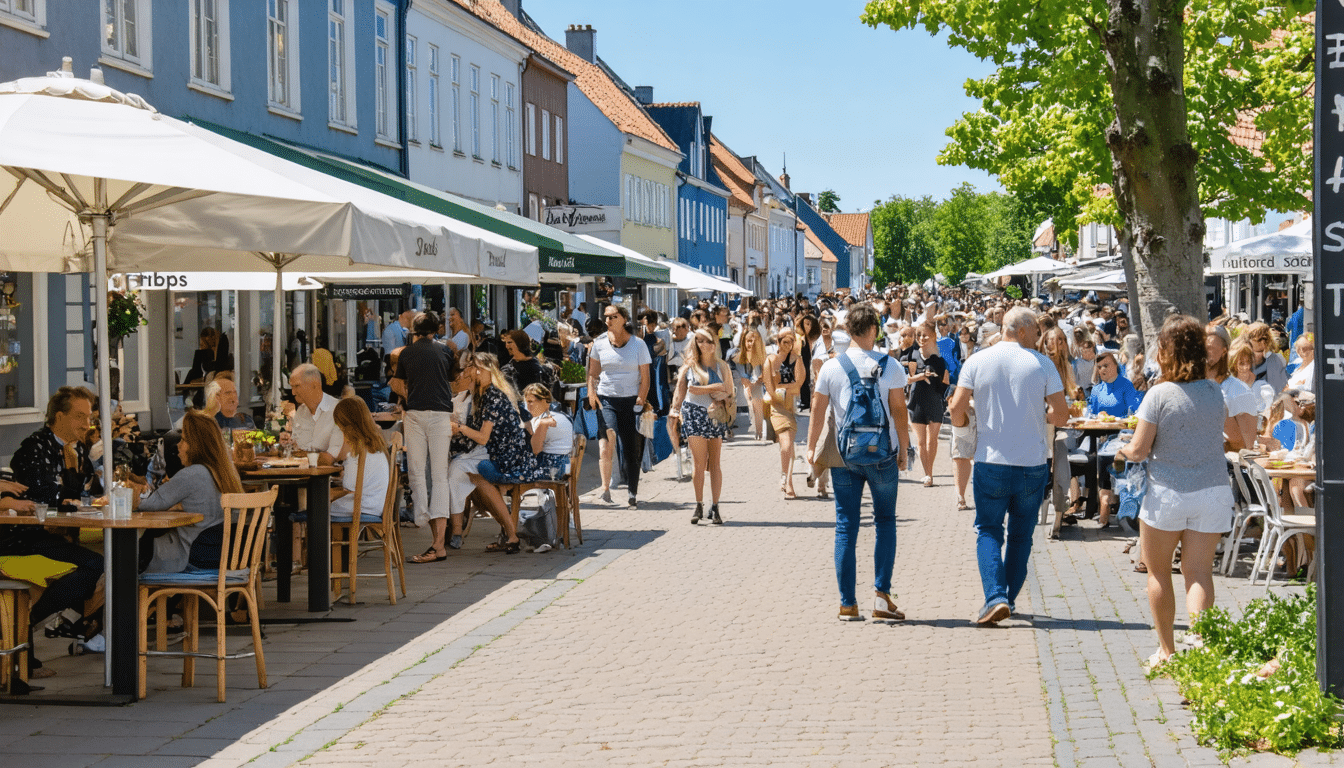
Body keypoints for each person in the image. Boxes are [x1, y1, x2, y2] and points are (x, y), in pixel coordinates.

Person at [1111, 314, 1243, 668]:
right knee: (1199, 572)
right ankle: (1201, 647)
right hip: (1212, 490)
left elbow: (1139, 450)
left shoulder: (1159, 394)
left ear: (1166, 351)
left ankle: (1167, 651)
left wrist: (1120, 451)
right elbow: (1235, 438)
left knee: (1158, 573)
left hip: (1168, 493)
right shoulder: (1215, 390)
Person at [948, 307, 1068, 625]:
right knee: (1020, 536)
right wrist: (1038, 418)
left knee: (988, 529)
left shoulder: (977, 360)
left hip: (991, 459)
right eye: (1037, 333)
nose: (1039, 339)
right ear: (1025, 330)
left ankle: (996, 597)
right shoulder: (1042, 364)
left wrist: (964, 428)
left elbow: (956, 407)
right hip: (1031, 461)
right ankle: (1007, 599)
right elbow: (1062, 414)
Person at [807, 303, 911, 622]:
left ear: (848, 331)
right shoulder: (890, 365)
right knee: (885, 522)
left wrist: (811, 450)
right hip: (882, 452)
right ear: (874, 330)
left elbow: (817, 409)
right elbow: (898, 411)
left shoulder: (830, 367)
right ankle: (881, 597)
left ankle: (847, 604)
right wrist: (904, 449)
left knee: (846, 526)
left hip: (844, 454)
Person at [3, 387, 104, 680]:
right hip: (24, 537)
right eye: (79, 417)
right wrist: (74, 496)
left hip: (57, 533)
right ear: (59, 417)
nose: (86, 424)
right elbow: (45, 495)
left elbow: (91, 490)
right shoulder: (34, 447)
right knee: (94, 565)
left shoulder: (79, 448)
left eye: (89, 416)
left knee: (106, 562)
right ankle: (31, 624)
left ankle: (66, 622)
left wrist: (77, 495)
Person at [447, 353, 535, 553]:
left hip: (505, 457)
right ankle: (507, 534)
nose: (470, 372)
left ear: (483, 370)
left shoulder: (493, 396)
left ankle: (464, 532)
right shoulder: (486, 393)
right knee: (460, 472)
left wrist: (459, 427)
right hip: (496, 452)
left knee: (469, 474)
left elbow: (483, 437)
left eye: (473, 368)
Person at [135, 411, 244, 572]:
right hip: (222, 557)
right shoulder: (226, 473)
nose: (178, 445)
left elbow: (147, 504)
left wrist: (130, 494)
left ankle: (116, 594)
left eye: (184, 440)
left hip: (193, 558)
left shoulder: (192, 474)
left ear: (197, 445)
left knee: (133, 552)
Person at [391, 312, 458, 558]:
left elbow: (397, 384)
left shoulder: (406, 353)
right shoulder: (445, 351)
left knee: (417, 469)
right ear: (435, 330)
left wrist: (408, 399)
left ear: (414, 331)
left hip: (415, 413)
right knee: (440, 474)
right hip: (440, 414)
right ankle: (438, 530)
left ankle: (420, 514)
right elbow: (453, 381)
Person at [586, 305, 651, 508]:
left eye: (613, 316)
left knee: (631, 449)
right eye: (606, 317)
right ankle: (606, 489)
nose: (608, 320)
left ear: (624, 319)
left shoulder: (638, 345)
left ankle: (632, 491)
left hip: (631, 400)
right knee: (607, 439)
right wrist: (591, 392)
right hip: (607, 399)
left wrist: (641, 397)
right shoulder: (599, 343)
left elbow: (645, 377)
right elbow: (593, 374)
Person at [670, 329, 734, 523]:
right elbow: (690, 389)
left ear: (714, 343)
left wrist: (720, 392)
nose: (704, 345)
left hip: (716, 415)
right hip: (694, 413)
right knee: (699, 462)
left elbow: (730, 392)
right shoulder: (690, 365)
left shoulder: (722, 366)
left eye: (707, 341)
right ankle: (698, 504)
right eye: (699, 341)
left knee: (715, 463)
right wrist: (716, 387)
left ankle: (715, 506)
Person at [329, 398, 390, 524]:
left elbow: (349, 485)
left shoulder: (359, 451)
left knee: (317, 507)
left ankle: (321, 543)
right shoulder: (375, 446)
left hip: (362, 507)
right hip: (376, 504)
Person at [906, 322, 949, 487]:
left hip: (934, 402)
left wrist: (939, 380)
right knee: (921, 441)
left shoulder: (939, 360)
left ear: (933, 336)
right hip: (916, 402)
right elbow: (907, 378)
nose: (922, 338)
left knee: (932, 440)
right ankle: (927, 473)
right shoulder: (912, 354)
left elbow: (944, 384)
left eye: (925, 335)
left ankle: (929, 474)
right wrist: (921, 376)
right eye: (919, 335)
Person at [763, 329, 806, 498]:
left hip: (791, 408)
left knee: (788, 448)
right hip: (776, 408)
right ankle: (786, 479)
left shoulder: (797, 359)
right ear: (778, 343)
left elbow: (798, 386)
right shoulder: (771, 360)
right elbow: (770, 389)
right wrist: (786, 388)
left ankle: (786, 478)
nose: (788, 345)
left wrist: (782, 387)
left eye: (791, 341)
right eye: (785, 342)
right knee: (787, 444)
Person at [1206, 326, 1259, 450]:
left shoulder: (1240, 391)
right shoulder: (1193, 387)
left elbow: (1247, 445)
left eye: (1209, 347)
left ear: (1224, 351)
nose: (1203, 351)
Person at [288, 363, 343, 465]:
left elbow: (330, 459)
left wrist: (302, 455)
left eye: (297, 386)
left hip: (330, 476)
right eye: (292, 387)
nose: (293, 392)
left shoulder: (338, 410)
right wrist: (288, 444)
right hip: (303, 474)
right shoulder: (301, 411)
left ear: (315, 385)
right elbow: (296, 448)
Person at [522, 384, 574, 476]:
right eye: (526, 403)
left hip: (552, 468)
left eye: (530, 402)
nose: (528, 407)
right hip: (564, 465)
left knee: (513, 476)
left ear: (543, 401)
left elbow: (535, 449)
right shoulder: (560, 415)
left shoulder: (544, 421)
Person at [501, 329, 552, 400]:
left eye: (509, 342)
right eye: (506, 343)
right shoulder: (507, 369)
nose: (506, 346)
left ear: (520, 343)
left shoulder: (538, 367)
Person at [735, 328, 767, 441]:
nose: (752, 344)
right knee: (752, 401)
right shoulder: (736, 356)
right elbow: (743, 377)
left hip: (757, 385)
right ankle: (757, 430)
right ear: (743, 341)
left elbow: (764, 373)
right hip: (742, 386)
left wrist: (761, 378)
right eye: (749, 341)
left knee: (757, 403)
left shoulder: (762, 356)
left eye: (755, 341)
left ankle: (759, 431)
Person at [1244, 322, 1287, 394]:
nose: (1263, 342)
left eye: (1265, 338)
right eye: (1259, 339)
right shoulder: (1241, 360)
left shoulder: (1276, 359)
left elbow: (1281, 387)